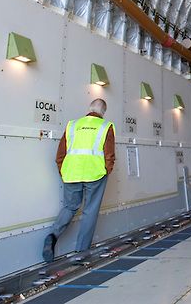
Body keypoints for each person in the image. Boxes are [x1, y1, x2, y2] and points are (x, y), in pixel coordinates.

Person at [43, 98, 115, 262]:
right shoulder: (105, 126)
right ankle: (81, 251)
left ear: (89, 108)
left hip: (71, 173)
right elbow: (109, 154)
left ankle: (52, 235)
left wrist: (64, 170)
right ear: (103, 112)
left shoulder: (72, 125)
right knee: (90, 211)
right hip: (95, 174)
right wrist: (106, 170)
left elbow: (60, 153)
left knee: (70, 207)